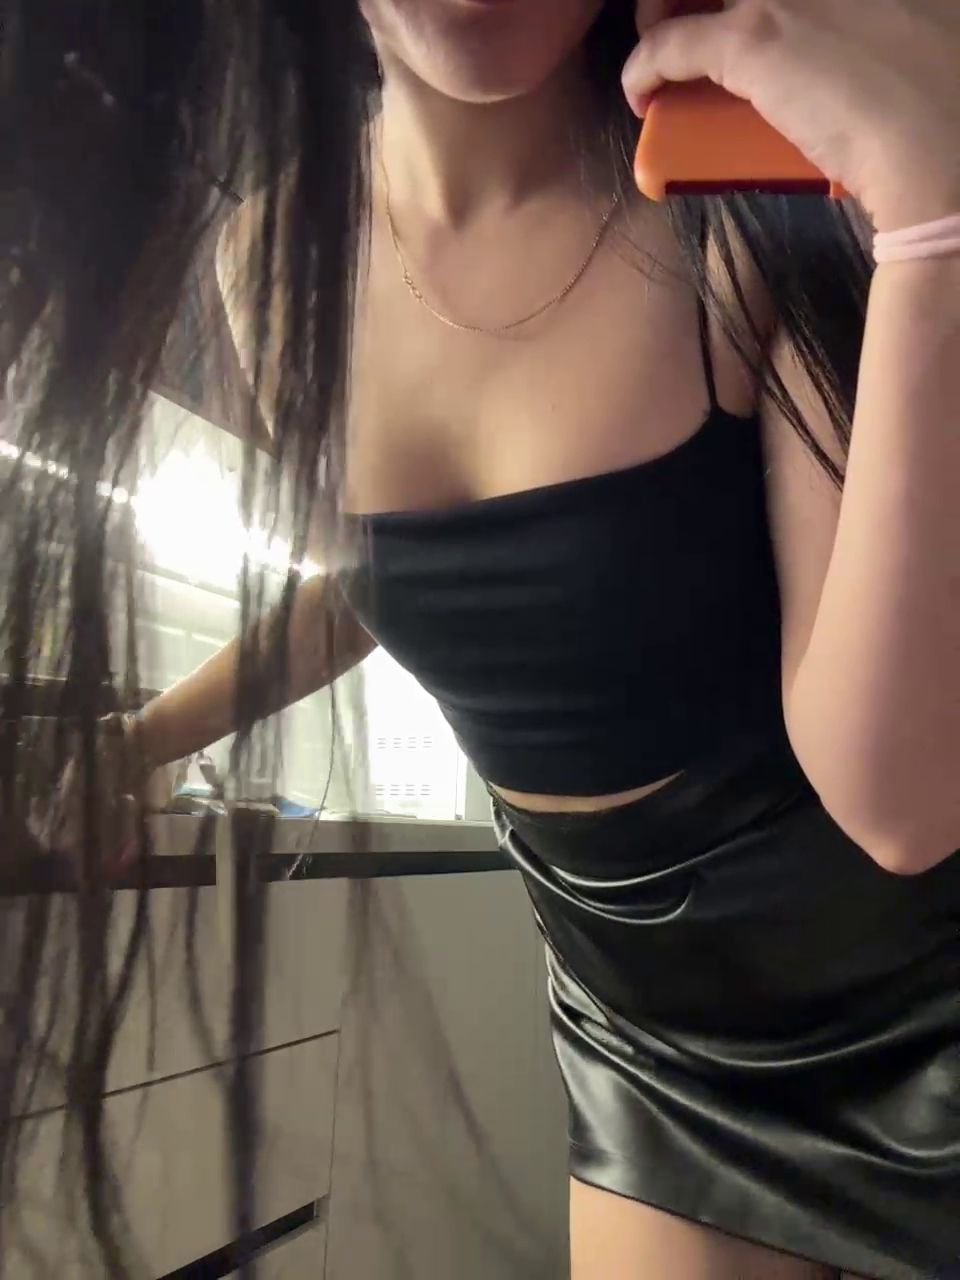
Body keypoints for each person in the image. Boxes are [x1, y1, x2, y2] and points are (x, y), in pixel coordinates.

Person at [3, 2, 958, 1278]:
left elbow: (900, 809)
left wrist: (936, 228)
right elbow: (378, 580)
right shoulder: (268, 257)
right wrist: (138, 741)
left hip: (910, 987)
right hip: (645, 1029)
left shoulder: (739, 202)